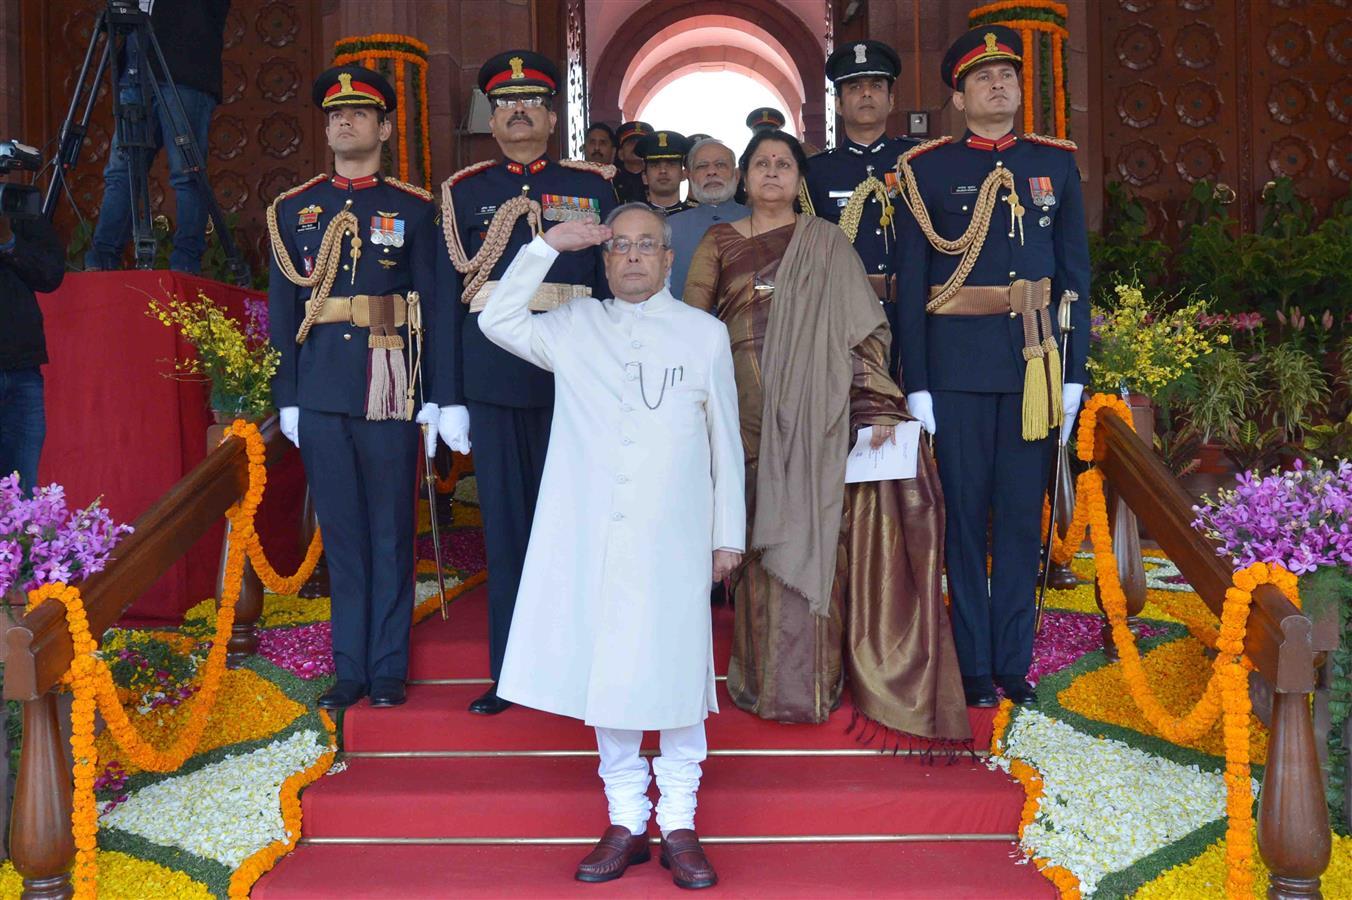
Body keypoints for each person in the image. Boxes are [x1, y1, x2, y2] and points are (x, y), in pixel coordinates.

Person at [485, 204, 742, 889]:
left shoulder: (705, 334)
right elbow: (496, 319)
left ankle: (680, 822)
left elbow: (727, 444)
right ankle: (626, 819)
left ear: (667, 259)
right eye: (619, 246)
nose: (632, 256)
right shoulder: (574, 327)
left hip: (676, 536)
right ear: (604, 261)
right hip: (593, 533)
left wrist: (728, 536)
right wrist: (542, 247)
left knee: (681, 679)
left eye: (646, 246)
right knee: (613, 679)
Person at [683, 130, 968, 742]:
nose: (772, 173)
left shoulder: (828, 243)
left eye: (784, 164)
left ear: (800, 178)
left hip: (820, 415)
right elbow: (689, 327)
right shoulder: (717, 241)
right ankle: (759, 680)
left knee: (817, 532)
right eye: (761, 164)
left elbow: (864, 335)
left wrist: (878, 410)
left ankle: (815, 682)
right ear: (743, 178)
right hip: (742, 415)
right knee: (757, 538)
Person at [893, 26, 1089, 708]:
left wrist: (1074, 376)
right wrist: (916, 385)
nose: (998, 84)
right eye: (982, 77)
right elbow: (913, 289)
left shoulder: (1056, 165)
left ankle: (1012, 663)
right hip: (955, 375)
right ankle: (972, 665)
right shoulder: (925, 170)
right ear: (959, 94)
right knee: (963, 521)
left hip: (1034, 367)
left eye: (1007, 74)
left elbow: (1075, 280)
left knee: (1018, 521)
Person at [431, 50, 617, 716]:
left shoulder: (593, 187)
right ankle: (510, 671)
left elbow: (611, 289)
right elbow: (446, 298)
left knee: (580, 528)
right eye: (505, 102)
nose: (518, 112)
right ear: (491, 114)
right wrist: (448, 395)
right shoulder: (464, 191)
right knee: (508, 532)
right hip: (494, 377)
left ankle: (585, 664)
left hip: (575, 377)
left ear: (552, 113)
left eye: (532, 101)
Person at [267, 65, 438, 710]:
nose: (345, 121)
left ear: (385, 127)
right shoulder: (293, 208)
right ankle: (351, 666)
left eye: (361, 113)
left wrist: (436, 394)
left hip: (387, 383)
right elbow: (284, 309)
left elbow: (435, 306)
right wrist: (288, 395)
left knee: (391, 528)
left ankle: (389, 665)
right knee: (340, 531)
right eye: (336, 113)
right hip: (320, 391)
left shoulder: (414, 210)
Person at [85, 0, 231, 274]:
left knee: (187, 173)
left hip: (185, 69)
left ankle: (185, 264)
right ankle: (102, 259)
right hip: (134, 68)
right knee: (121, 171)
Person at [803, 40, 916, 382]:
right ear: (838, 104)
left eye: (876, 86)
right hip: (844, 314)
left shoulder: (918, 162)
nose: (866, 94)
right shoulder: (815, 173)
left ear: (892, 99)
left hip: (910, 311)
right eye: (854, 87)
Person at [0, 211, 65, 492]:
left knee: (22, 491)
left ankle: (20, 538)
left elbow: (50, 274)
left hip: (22, 366)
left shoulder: (14, 204)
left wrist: (8, 241)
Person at [667, 138, 747, 298]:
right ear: (690, 176)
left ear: (737, 175)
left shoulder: (760, 221)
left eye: (720, 165)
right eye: (702, 166)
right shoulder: (669, 228)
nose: (711, 172)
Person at [636, 130, 694, 215]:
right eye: (655, 165)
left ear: (684, 174)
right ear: (644, 177)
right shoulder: (634, 216)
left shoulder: (696, 215)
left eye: (671, 164)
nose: (663, 171)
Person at [613, 121, 652, 204]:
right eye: (631, 142)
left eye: (641, 143)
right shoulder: (611, 181)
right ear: (620, 154)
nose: (636, 146)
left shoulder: (655, 179)